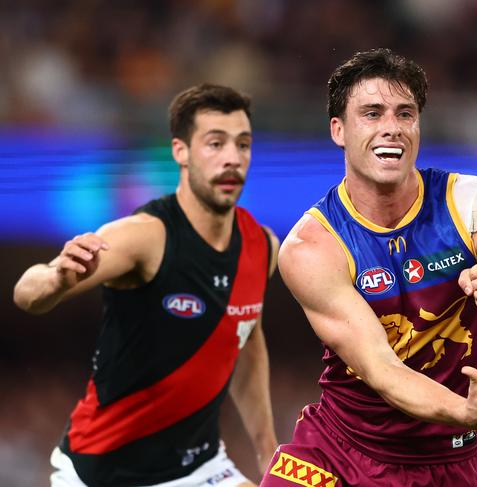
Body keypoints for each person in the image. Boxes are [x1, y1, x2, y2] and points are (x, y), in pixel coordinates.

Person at [261, 49, 477, 487]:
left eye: (405, 113)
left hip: (447, 463)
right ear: (338, 130)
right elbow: (382, 370)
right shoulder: (312, 246)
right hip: (338, 450)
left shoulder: (472, 204)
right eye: (372, 113)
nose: (391, 128)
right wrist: (464, 411)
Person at [13, 84, 279, 487]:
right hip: (103, 471)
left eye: (243, 144)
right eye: (215, 143)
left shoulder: (263, 246)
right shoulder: (145, 237)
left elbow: (246, 340)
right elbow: (26, 294)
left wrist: (267, 453)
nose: (232, 158)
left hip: (200, 468)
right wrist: (56, 277)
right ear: (181, 151)